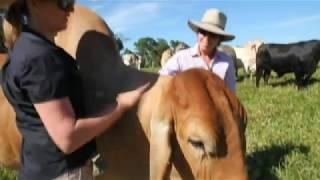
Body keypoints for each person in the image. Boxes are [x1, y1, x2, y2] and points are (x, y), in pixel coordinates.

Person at [1, 0, 149, 179]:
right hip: (63, 173)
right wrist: (121, 106)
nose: (70, 9)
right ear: (34, 3)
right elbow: (68, 138)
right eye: (63, 2)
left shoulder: (26, 49)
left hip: (38, 168)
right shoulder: (40, 58)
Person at [159, 8, 236, 92]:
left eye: (213, 35)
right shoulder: (181, 58)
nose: (206, 39)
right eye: (203, 32)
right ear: (198, 33)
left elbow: (231, 94)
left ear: (219, 39)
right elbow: (161, 80)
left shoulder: (227, 61)